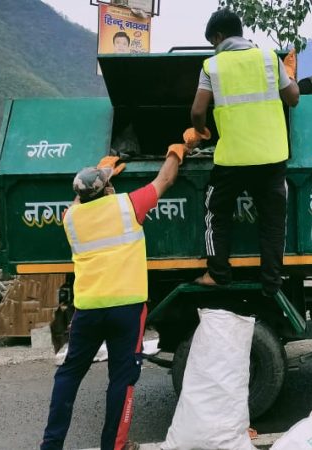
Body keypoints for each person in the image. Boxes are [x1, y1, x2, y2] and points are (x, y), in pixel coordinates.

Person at [40, 143, 188, 450]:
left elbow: (78, 201)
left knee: (69, 374)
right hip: (127, 310)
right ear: (108, 189)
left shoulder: (70, 218)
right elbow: (165, 180)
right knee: (122, 379)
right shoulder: (127, 206)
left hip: (88, 310)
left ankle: (51, 445)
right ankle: (114, 446)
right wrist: (176, 150)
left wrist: (96, 176)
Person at [189, 8, 299, 296]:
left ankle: (219, 274)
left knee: (215, 210)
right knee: (273, 222)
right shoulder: (268, 58)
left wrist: (201, 132)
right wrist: (286, 74)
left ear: (219, 36)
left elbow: (198, 111)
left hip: (233, 160)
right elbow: (294, 98)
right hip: (272, 157)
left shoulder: (212, 65)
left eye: (213, 41)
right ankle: (271, 284)